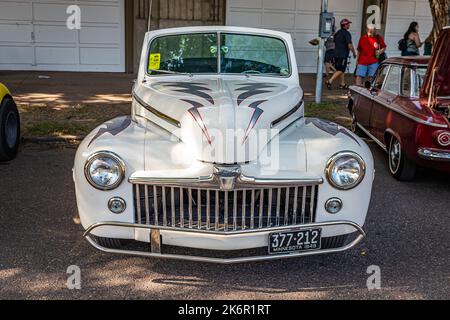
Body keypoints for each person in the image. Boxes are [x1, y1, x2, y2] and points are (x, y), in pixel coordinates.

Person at [326, 19, 357, 90]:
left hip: (336, 54)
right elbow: (349, 45)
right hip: (342, 55)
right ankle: (329, 81)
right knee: (341, 69)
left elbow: (335, 43)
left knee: (341, 70)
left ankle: (342, 84)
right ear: (345, 25)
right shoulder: (347, 33)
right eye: (348, 24)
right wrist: (354, 53)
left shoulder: (337, 33)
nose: (349, 25)